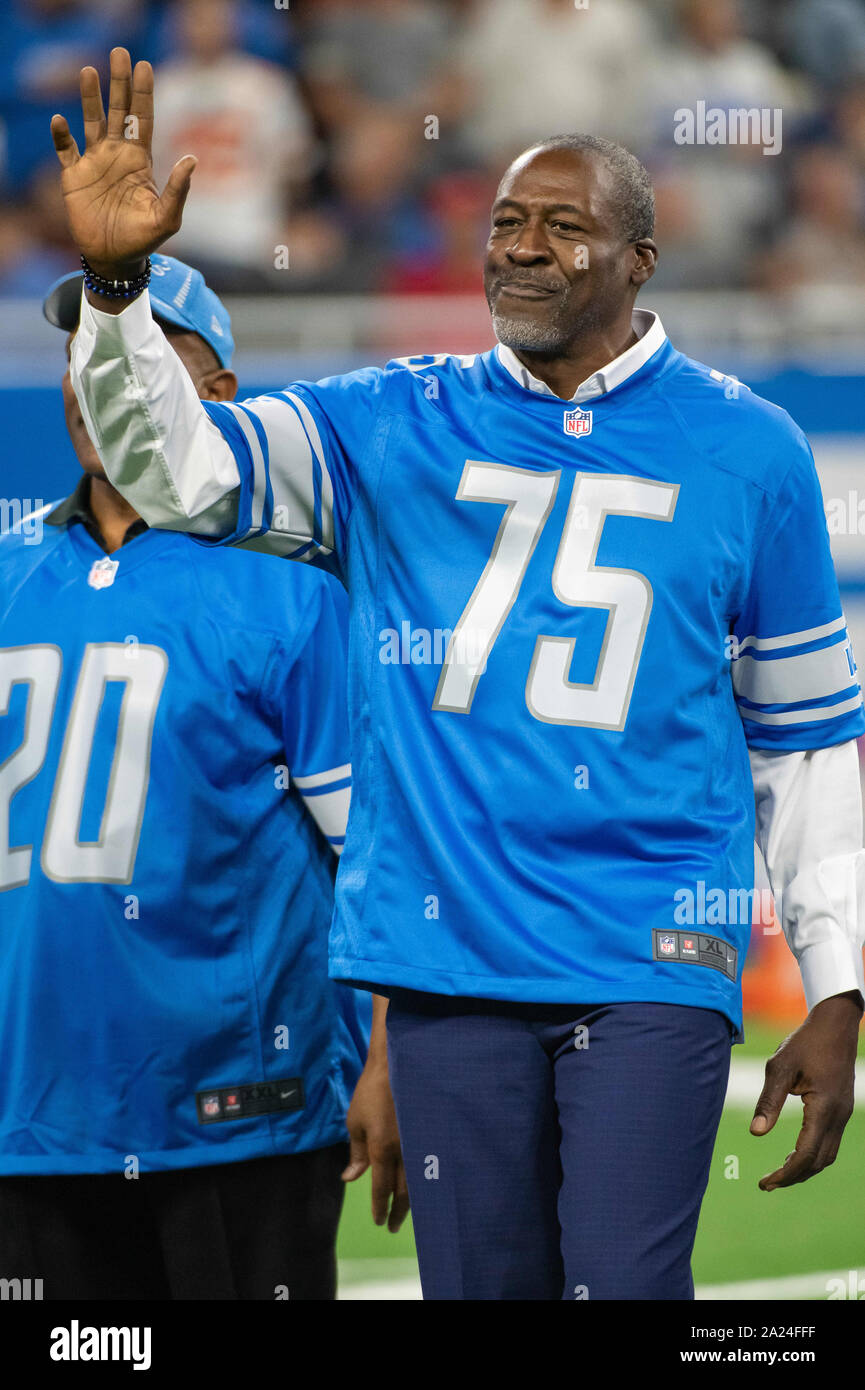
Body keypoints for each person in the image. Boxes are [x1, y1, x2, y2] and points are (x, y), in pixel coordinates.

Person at [53, 49, 864, 1301]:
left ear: (638, 262)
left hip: (650, 948)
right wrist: (114, 289)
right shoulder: (384, 419)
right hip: (450, 961)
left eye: (564, 226)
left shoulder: (749, 449)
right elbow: (176, 472)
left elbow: (801, 739)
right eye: (504, 225)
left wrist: (836, 984)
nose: (523, 249)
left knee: (622, 1285)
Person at [0, 251, 406, 1301]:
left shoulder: (289, 593)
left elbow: (378, 853)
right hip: (28, 1115)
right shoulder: (7, 575)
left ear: (216, 395)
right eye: (83, 351)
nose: (102, 377)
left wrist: (389, 1053)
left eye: (138, 354)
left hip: (238, 1108)